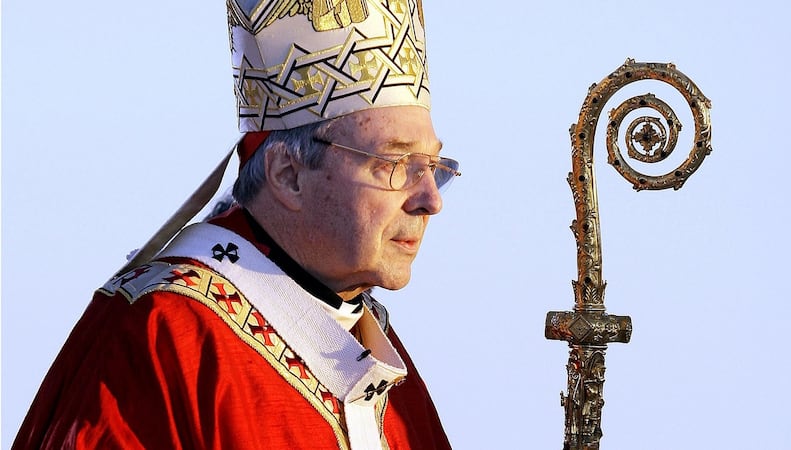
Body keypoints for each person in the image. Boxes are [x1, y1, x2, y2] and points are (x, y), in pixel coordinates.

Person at [13, 1, 459, 449]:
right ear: (288, 175)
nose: (431, 200)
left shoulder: (368, 346)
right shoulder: (163, 333)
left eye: (433, 167)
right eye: (394, 164)